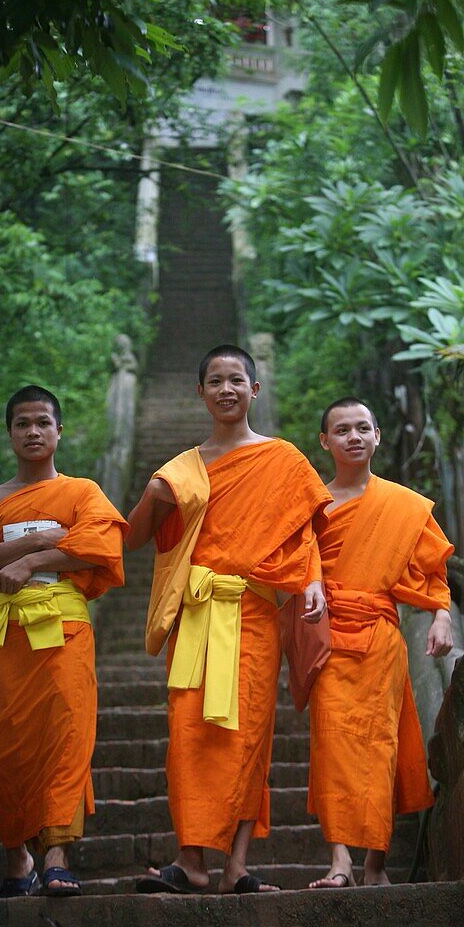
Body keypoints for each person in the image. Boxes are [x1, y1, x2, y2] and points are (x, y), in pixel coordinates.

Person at [127, 345, 331, 894]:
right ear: (200, 393)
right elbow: (135, 536)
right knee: (187, 735)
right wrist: (151, 496)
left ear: (254, 390)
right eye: (214, 380)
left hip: (254, 614)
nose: (225, 389)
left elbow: (304, 532)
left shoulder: (283, 458)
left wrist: (312, 580)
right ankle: (191, 859)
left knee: (247, 737)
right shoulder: (183, 470)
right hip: (197, 616)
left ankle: (236, 865)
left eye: (235, 380)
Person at [0, 385, 127, 897]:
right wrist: (43, 539)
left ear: (59, 430)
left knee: (66, 737)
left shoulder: (83, 492)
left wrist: (28, 560)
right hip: (10, 635)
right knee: (4, 748)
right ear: (10, 434)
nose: (33, 432)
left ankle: (57, 856)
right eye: (22, 423)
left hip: (66, 631)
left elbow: (100, 549)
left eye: (43, 422)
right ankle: (17, 855)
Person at [307, 397, 453, 890]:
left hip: (381, 639)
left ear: (377, 436)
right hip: (327, 639)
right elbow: (292, 567)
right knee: (332, 743)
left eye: (362, 428)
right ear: (325, 442)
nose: (353, 437)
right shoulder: (311, 504)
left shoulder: (404, 505)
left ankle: (375, 864)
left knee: (379, 746)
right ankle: (340, 862)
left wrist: (441, 615)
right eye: (342, 430)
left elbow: (432, 569)